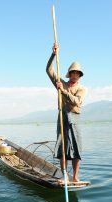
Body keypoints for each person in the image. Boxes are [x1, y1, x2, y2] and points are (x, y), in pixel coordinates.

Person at [46, 43, 87, 182]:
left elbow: (76, 101)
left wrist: (62, 91)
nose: (75, 75)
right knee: (62, 148)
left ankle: (75, 177)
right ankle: (64, 176)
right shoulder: (61, 83)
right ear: (69, 73)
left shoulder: (82, 88)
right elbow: (49, 70)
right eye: (73, 72)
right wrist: (53, 54)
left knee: (76, 148)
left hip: (74, 117)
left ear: (80, 75)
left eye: (78, 73)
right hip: (62, 116)